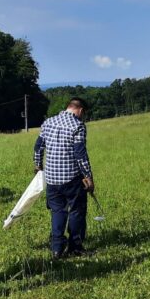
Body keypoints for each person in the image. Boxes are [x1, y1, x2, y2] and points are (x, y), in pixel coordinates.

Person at [34, 97, 95, 259]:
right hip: (71, 178)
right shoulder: (78, 126)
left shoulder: (48, 122)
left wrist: (38, 164)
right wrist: (88, 176)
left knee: (57, 211)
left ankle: (56, 248)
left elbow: (38, 146)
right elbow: (80, 154)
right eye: (84, 113)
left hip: (52, 178)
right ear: (80, 110)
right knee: (76, 211)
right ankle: (75, 247)